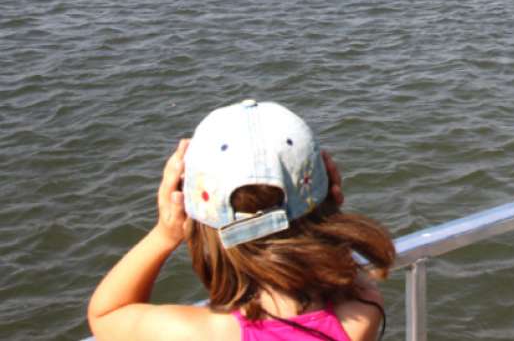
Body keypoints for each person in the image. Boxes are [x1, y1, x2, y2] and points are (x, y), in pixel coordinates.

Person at [88, 100, 395, 341]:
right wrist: (327, 207)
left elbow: (107, 314)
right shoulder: (360, 313)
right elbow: (350, 274)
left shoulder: (198, 334)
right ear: (328, 191)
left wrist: (165, 233)